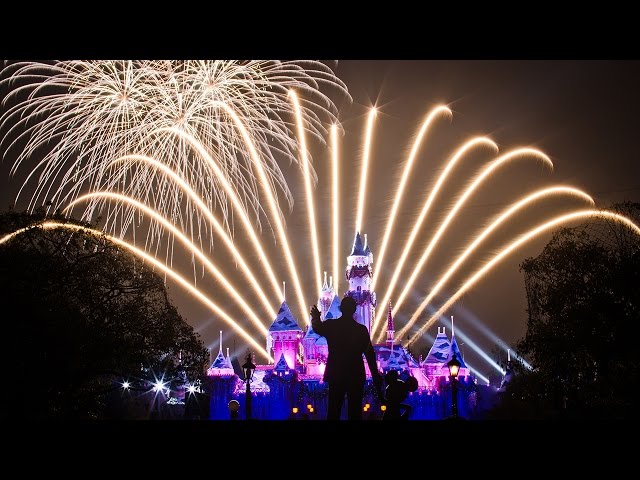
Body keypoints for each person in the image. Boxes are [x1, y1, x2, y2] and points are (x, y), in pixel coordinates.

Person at [310, 296, 384, 420]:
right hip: (355, 375)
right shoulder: (361, 330)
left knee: (333, 411)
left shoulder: (332, 326)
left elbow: (317, 328)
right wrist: (376, 377)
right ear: (354, 310)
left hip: (336, 374)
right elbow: (370, 355)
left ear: (341, 309)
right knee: (355, 413)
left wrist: (316, 318)